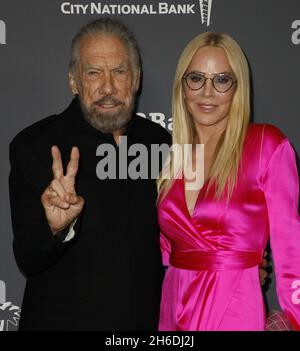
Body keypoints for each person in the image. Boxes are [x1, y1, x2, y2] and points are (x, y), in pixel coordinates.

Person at [9, 18, 171, 330]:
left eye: (119, 72)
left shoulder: (159, 143)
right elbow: (27, 256)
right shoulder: (36, 145)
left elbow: (178, 237)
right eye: (94, 72)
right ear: (74, 81)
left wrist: (236, 263)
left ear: (136, 79)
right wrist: (54, 229)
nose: (108, 88)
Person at [157, 32, 300, 331]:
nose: (207, 92)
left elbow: (292, 252)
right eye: (196, 78)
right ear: (182, 88)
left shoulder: (266, 146)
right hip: (173, 308)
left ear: (238, 88)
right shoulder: (173, 158)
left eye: (221, 80)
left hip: (234, 309)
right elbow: (165, 253)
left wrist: (295, 320)